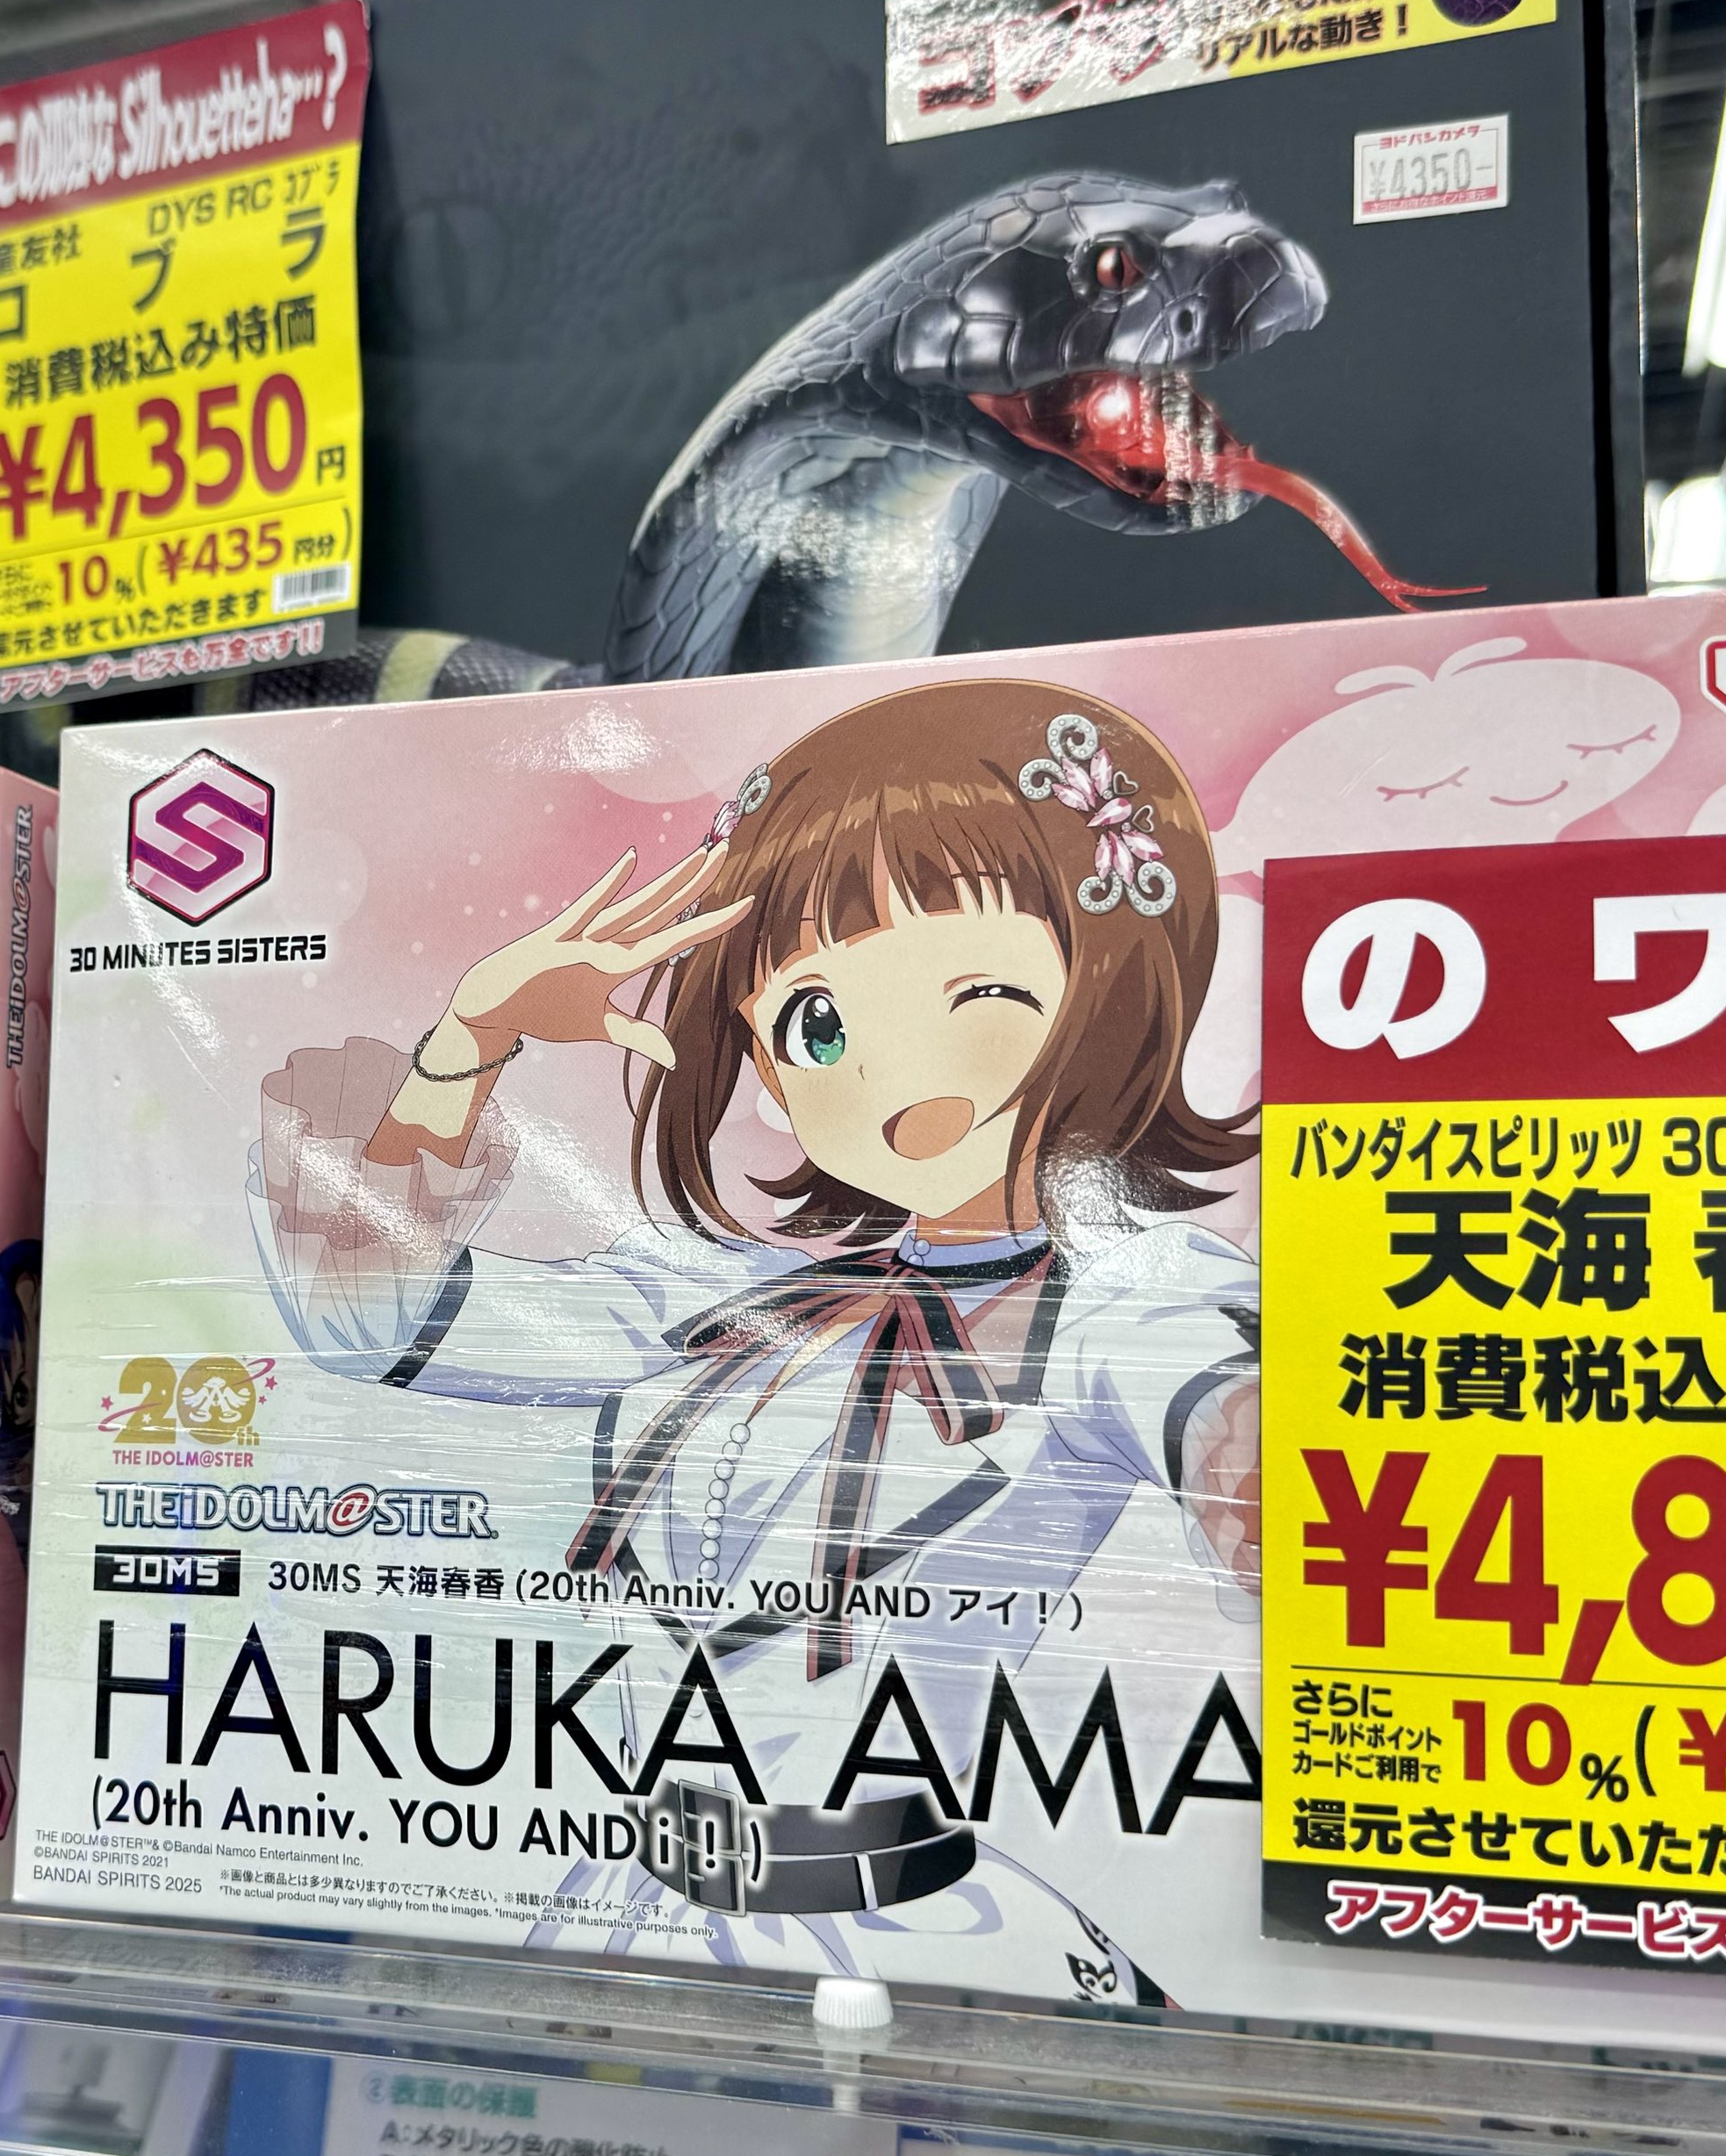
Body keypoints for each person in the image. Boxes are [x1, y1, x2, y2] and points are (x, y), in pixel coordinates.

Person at [251, 677, 1261, 2002]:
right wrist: (470, 1043)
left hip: (897, 1927)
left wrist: (1252, 1461)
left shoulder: (1117, 1308)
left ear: (1112, 994)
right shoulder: (723, 1286)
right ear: (768, 1066)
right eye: (819, 1022)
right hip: (629, 1907)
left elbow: (1226, 1415)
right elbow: (378, 1320)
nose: (892, 1073)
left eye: (980, 992)